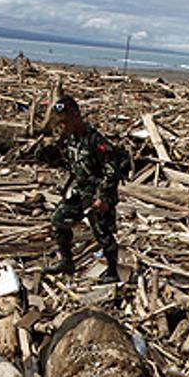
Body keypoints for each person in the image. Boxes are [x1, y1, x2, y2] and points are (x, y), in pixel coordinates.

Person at [45, 96, 132, 280]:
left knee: (103, 234)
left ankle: (112, 271)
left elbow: (112, 170)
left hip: (98, 194)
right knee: (58, 220)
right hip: (80, 192)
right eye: (61, 122)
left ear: (76, 115)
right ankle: (67, 261)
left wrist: (104, 197)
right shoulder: (70, 139)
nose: (64, 126)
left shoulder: (95, 140)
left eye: (66, 121)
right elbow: (71, 164)